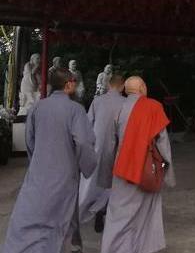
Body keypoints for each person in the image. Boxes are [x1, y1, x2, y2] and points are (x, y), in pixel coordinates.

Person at [2, 68, 96, 253]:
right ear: (68, 84)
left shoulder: (38, 106)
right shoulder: (75, 109)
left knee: (33, 214)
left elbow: (29, 139)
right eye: (74, 82)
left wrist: (36, 159)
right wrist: (88, 166)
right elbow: (84, 143)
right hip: (64, 172)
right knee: (62, 215)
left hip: (39, 172)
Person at [98, 76, 175, 253]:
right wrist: (167, 172)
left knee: (118, 214)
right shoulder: (154, 106)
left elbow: (108, 145)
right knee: (147, 213)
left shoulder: (118, 108)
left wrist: (106, 174)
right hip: (147, 169)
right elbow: (163, 143)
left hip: (122, 168)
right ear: (142, 88)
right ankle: (143, 248)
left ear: (126, 90)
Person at [79, 74, 125, 233]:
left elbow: (88, 122)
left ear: (108, 85)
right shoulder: (125, 103)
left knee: (94, 182)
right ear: (122, 86)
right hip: (117, 147)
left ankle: (95, 208)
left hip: (96, 146)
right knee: (115, 183)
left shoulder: (97, 101)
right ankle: (107, 212)